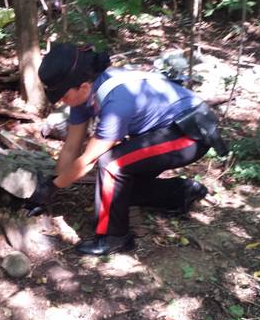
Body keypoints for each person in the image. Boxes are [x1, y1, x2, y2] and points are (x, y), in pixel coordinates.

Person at [29, 43, 227, 256]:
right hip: (164, 131)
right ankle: (181, 193)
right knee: (116, 192)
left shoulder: (116, 102)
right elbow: (71, 147)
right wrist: (51, 187)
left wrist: (49, 188)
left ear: (83, 87)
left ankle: (115, 237)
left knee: (112, 164)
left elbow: (89, 159)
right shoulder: (83, 98)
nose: (60, 101)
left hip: (189, 133)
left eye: (63, 95)